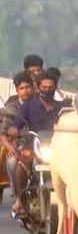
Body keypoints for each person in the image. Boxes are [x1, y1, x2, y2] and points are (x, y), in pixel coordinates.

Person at [8, 71, 71, 215]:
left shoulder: (63, 106)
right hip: (34, 145)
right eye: (44, 87)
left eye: (51, 87)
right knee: (20, 166)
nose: (47, 90)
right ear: (38, 87)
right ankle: (21, 200)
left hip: (58, 146)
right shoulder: (28, 106)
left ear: (56, 87)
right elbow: (17, 122)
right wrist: (13, 129)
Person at [2, 72, 36, 214]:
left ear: (33, 88)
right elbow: (3, 134)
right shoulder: (11, 108)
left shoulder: (40, 104)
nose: (25, 91)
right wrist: (11, 148)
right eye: (21, 88)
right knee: (11, 162)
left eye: (28, 87)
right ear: (16, 91)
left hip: (40, 145)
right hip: (20, 146)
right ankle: (19, 197)